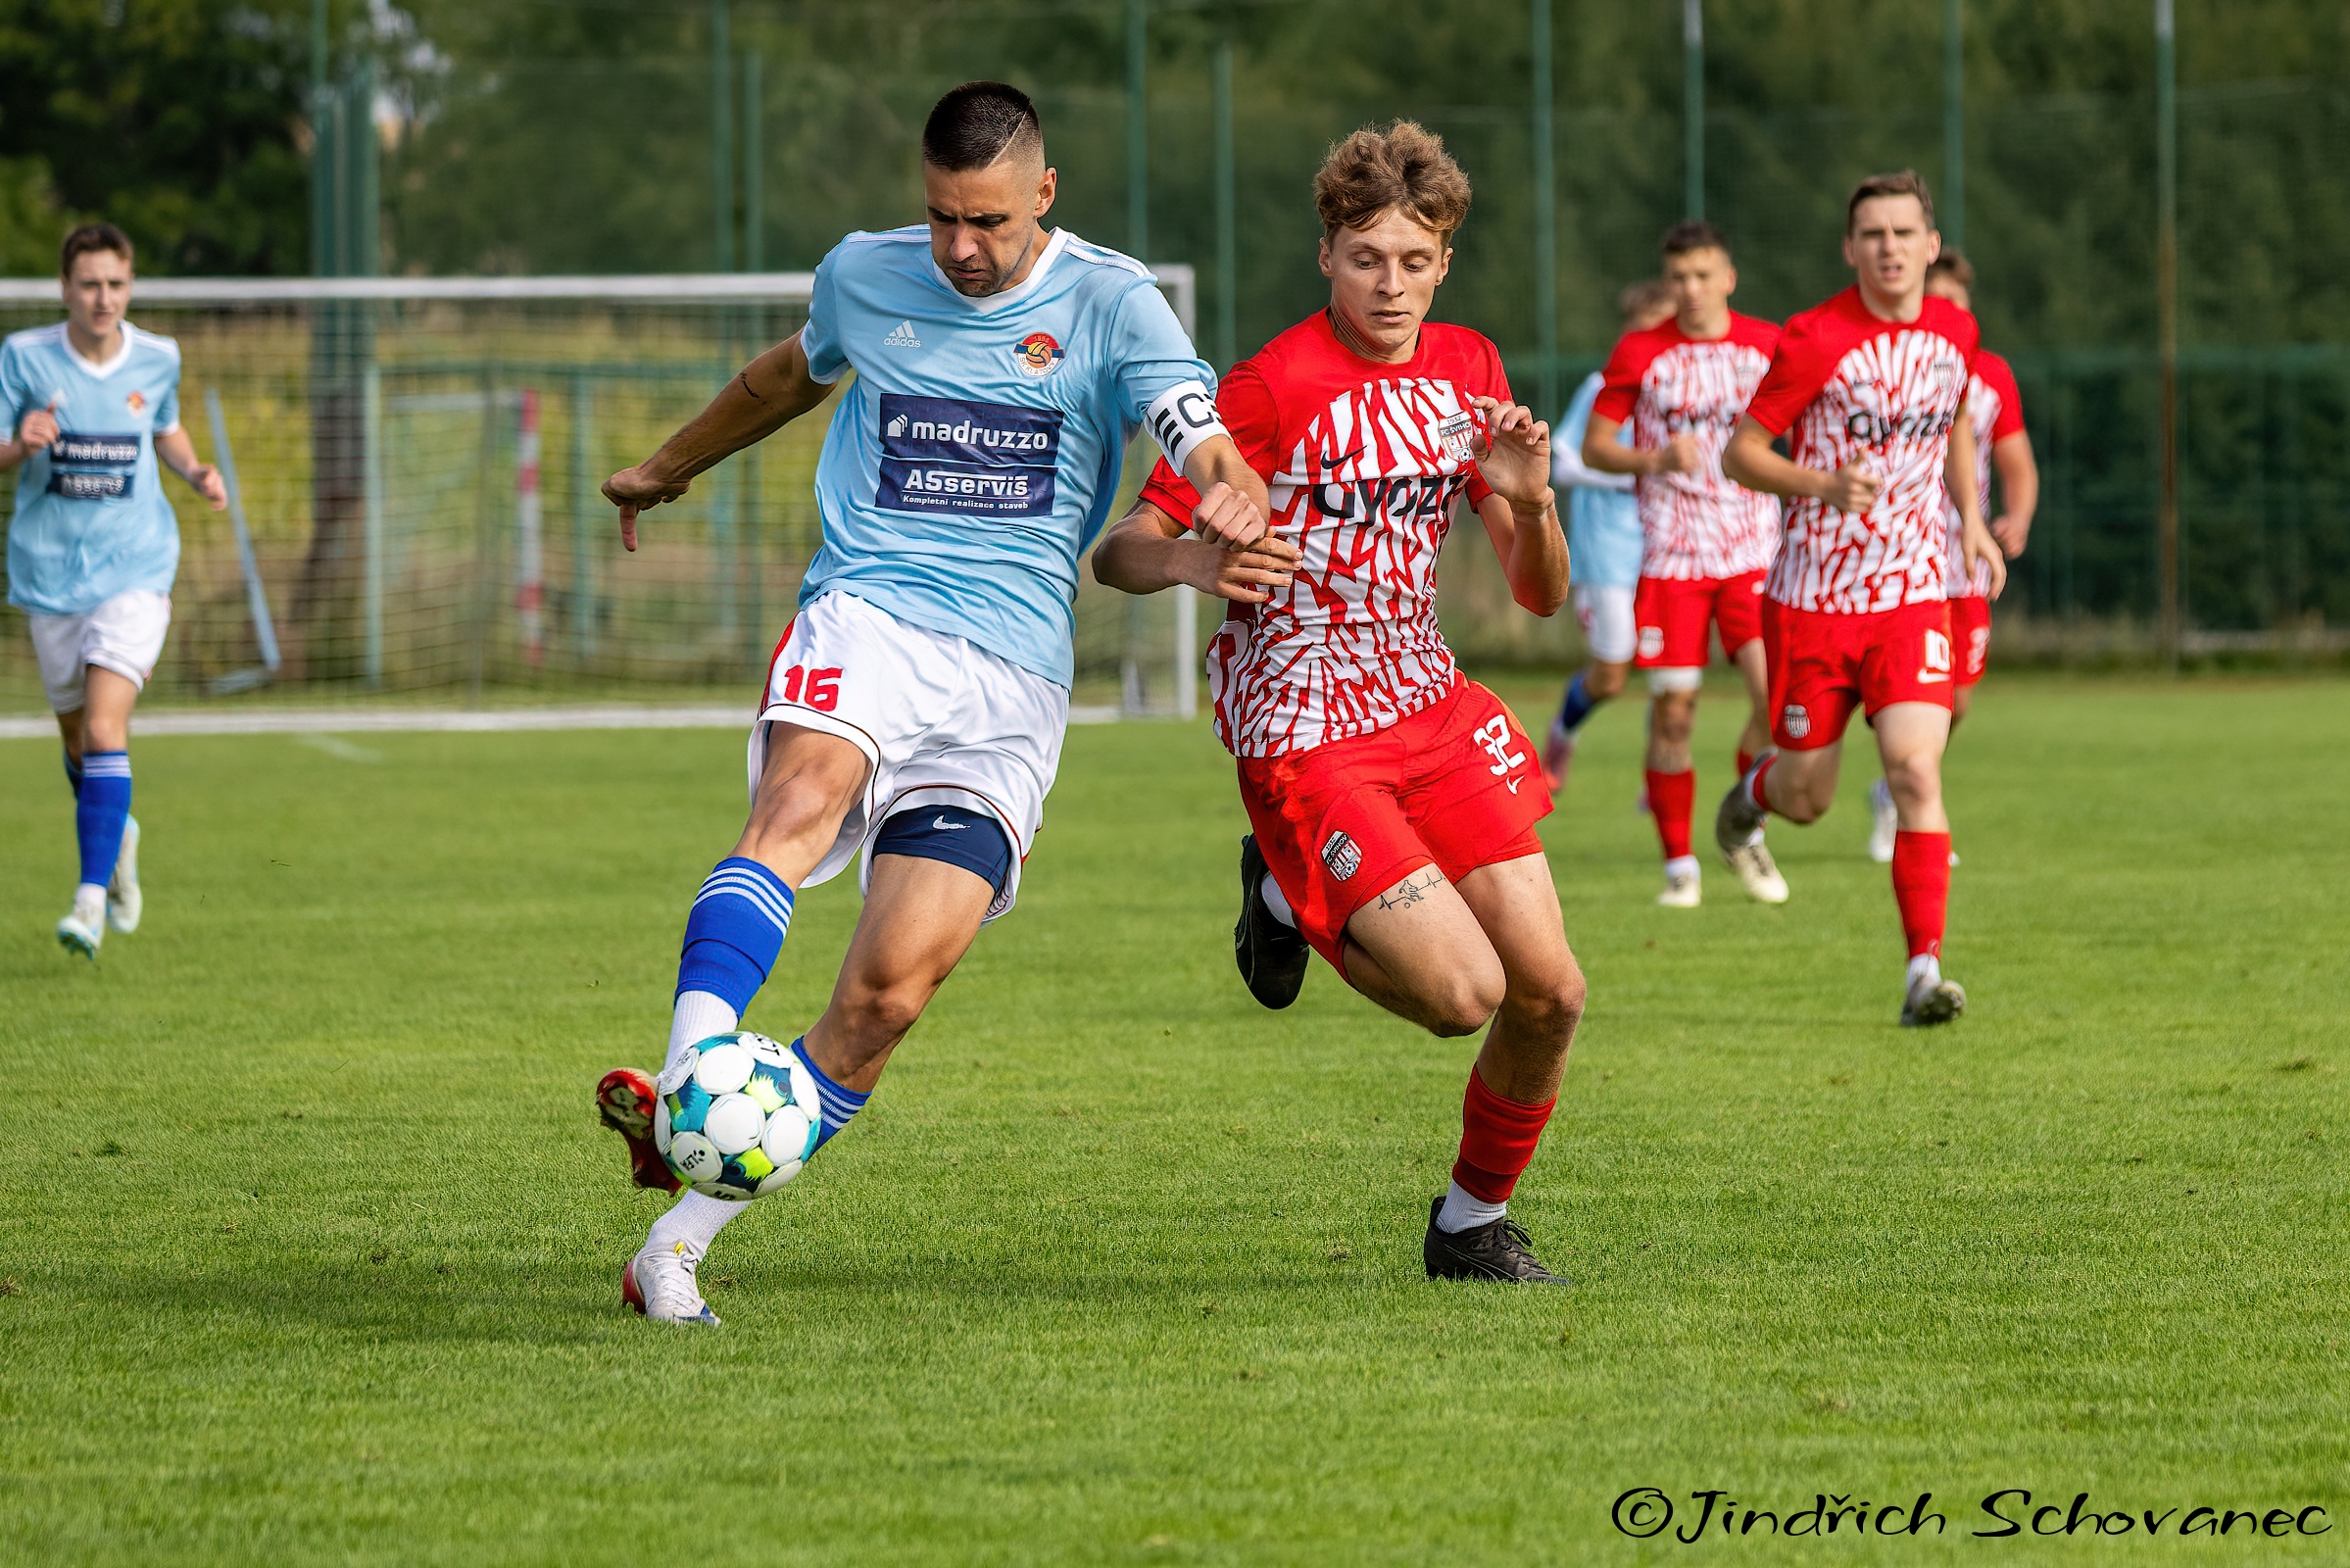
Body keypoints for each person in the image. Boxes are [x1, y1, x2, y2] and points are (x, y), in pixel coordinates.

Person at [591, 82, 1271, 1326]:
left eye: (990, 221)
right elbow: (784, 378)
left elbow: (1201, 435)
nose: (961, 245)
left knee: (888, 992)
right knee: (799, 801)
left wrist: (1227, 492)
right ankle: (693, 1070)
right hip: (871, 614)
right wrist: (664, 466)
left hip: (1012, 678)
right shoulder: (865, 273)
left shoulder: (1112, 301)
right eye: (943, 216)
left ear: (1043, 195)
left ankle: (671, 1247)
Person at [1095, 122, 1585, 1286]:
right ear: (1326, 255)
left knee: (1551, 994)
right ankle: (1280, 882)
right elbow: (1119, 550)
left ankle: (1469, 1227)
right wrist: (1194, 562)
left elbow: (1538, 596)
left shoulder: (1469, 367)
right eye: (1366, 258)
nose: (1390, 284)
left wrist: (1532, 503)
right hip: (1305, 721)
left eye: (1414, 261)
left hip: (1426, 698)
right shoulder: (1268, 386)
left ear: (1445, 262)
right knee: (1462, 996)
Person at [1714, 171, 2005, 1027]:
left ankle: (1923, 973)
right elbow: (1740, 454)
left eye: (1904, 233)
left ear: (1930, 244)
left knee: (1916, 770)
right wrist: (1822, 484)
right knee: (1808, 799)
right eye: (1873, 234)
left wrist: (1971, 521)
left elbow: (1955, 420)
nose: (1889, 248)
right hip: (1812, 602)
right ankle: (1752, 797)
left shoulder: (1955, 330)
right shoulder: (1815, 337)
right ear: (1851, 248)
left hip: (1913, 592)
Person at [0, 222, 226, 958]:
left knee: (104, 731)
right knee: (77, 743)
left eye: (117, 284)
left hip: (136, 566)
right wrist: (20, 444)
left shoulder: (159, 357)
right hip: (50, 573)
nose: (104, 298)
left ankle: (90, 899)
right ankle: (116, 835)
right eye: (91, 284)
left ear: (130, 287)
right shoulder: (23, 356)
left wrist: (194, 471)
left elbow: (166, 427)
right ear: (65, 288)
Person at [1580, 222, 1786, 907]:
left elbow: (1804, 424)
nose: (1691, 289)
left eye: (1703, 275)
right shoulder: (1641, 351)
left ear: (1729, 277)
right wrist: (1655, 458)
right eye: (1679, 278)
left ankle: (1743, 826)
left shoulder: (1767, 345)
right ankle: (1679, 865)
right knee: (1674, 715)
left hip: (1754, 553)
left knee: (1774, 701)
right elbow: (1596, 445)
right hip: (1672, 560)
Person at [1867, 248, 2037, 861]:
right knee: (1907, 698)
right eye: (1936, 300)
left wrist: (2015, 518)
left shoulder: (1989, 375)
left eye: (1956, 303)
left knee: (1957, 700)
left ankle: (1892, 788)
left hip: (1962, 561)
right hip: (1895, 562)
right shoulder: (1876, 363)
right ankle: (1908, 797)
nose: (1946, 312)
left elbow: (2017, 462)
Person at [1540, 278, 1677, 795]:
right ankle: (1562, 732)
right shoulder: (1603, 386)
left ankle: (1660, 779)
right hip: (1608, 553)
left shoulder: (1681, 389)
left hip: (1668, 548)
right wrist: (1633, 471)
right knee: (1612, 676)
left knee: (1671, 673)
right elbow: (1563, 463)